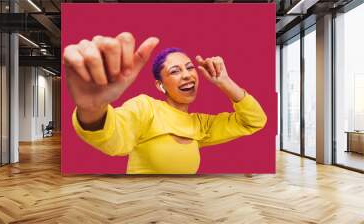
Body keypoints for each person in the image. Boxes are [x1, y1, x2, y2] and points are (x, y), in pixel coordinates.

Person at [64, 32, 267, 174]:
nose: (187, 75)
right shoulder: (146, 107)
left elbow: (253, 121)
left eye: (189, 68)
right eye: (175, 71)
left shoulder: (200, 124)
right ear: (160, 86)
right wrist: (93, 108)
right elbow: (114, 138)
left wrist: (225, 82)